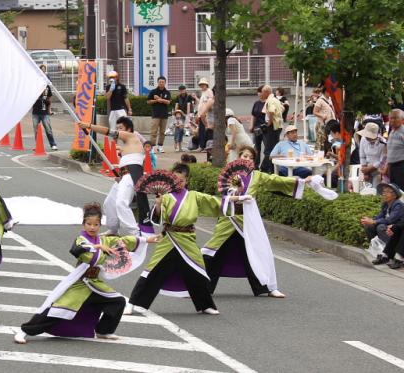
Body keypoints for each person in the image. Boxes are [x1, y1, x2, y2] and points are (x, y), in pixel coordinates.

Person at [14, 202, 159, 344]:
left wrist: (146, 239)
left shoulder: (103, 239)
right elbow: (78, 250)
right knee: (59, 311)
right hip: (80, 284)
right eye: (89, 224)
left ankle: (103, 331)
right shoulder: (81, 239)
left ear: (100, 225)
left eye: (96, 224)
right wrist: (97, 246)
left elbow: (123, 241)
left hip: (94, 283)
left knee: (118, 302)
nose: (92, 227)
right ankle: (25, 331)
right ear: (84, 224)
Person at [203, 149, 335, 299]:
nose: (248, 159)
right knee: (214, 252)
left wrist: (304, 180)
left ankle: (267, 287)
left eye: (251, 157)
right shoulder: (229, 175)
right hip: (229, 219)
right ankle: (201, 287)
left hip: (248, 221)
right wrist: (238, 192)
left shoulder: (258, 176)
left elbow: (277, 181)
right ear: (239, 157)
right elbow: (225, 196)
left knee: (257, 253)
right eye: (245, 156)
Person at [126, 170, 241, 316]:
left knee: (196, 272)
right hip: (170, 239)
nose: (179, 183)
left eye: (182, 180)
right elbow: (157, 219)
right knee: (153, 271)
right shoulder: (166, 197)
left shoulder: (194, 196)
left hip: (188, 239)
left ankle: (205, 305)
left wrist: (235, 199)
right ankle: (132, 303)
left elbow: (214, 202)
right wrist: (158, 204)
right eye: (176, 180)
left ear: (187, 181)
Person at [80, 117, 151, 235]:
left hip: (132, 175)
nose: (118, 130)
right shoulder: (126, 147)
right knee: (110, 203)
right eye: (117, 128)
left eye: (121, 128)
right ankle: (113, 229)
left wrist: (89, 126)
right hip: (124, 176)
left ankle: (135, 232)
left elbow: (108, 131)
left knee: (121, 203)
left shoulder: (132, 136)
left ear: (128, 129)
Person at [363, 183, 404, 264]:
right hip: (388, 226)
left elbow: (390, 220)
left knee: (380, 227)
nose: (384, 194)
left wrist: (374, 221)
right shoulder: (385, 204)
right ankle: (377, 249)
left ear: (394, 195)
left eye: (387, 192)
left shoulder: (398, 204)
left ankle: (390, 250)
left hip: (396, 228)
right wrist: (370, 220)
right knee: (370, 227)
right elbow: (380, 216)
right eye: (383, 192)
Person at [259, 85, 284, 173]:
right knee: (273, 147)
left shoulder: (270, 100)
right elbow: (282, 108)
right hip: (278, 126)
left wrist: (268, 123)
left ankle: (265, 169)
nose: (261, 94)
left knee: (268, 149)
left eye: (262, 92)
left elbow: (271, 111)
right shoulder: (276, 99)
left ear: (266, 92)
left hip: (273, 126)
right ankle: (272, 168)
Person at [32, 68, 58, 151]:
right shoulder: (34, 87)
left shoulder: (47, 88)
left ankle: (53, 144)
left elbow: (49, 99)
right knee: (36, 130)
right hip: (35, 112)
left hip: (45, 112)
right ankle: (38, 145)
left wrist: (49, 110)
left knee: (48, 129)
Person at [147, 76, 172, 152]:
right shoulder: (153, 91)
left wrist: (159, 99)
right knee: (153, 131)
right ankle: (152, 147)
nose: (161, 83)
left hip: (164, 115)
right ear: (157, 82)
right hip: (155, 114)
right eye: (160, 82)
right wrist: (156, 100)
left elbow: (168, 102)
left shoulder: (167, 92)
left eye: (163, 82)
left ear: (165, 83)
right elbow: (148, 102)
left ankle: (160, 146)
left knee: (162, 132)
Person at [358, 123, 386, 189]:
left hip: (378, 171)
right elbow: (362, 156)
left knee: (376, 191)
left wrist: (369, 169)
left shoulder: (383, 143)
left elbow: (382, 160)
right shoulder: (363, 139)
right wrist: (365, 172)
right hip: (365, 169)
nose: (367, 137)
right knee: (365, 191)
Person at [384, 109, 404, 189]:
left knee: (401, 191)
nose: (392, 120)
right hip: (392, 167)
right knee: (394, 190)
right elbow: (390, 151)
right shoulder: (392, 132)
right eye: (391, 118)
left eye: (395, 118)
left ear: (402, 119)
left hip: (401, 166)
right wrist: (387, 167)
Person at [195, 78, 215, 151]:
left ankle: (204, 146)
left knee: (206, 131)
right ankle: (201, 146)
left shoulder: (209, 92)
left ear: (206, 85)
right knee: (201, 131)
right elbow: (201, 104)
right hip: (201, 114)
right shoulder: (203, 92)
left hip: (206, 114)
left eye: (203, 84)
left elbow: (209, 103)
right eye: (201, 85)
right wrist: (198, 114)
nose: (202, 86)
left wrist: (205, 113)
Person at [249, 86, 266, 167]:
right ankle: (255, 165)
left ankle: (265, 166)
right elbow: (253, 115)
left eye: (260, 91)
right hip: (257, 128)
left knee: (267, 148)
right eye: (258, 91)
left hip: (265, 128)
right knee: (256, 148)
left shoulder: (269, 102)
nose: (259, 93)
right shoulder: (257, 103)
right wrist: (251, 125)